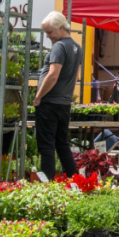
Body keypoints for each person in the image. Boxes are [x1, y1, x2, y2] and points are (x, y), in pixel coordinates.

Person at [33, 11, 81, 181]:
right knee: (62, 144)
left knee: (46, 146)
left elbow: (53, 75)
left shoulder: (59, 47)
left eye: (50, 32)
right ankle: (74, 180)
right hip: (64, 103)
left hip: (50, 103)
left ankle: (48, 184)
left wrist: (38, 97)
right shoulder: (76, 47)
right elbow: (75, 76)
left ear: (61, 28)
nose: (48, 36)